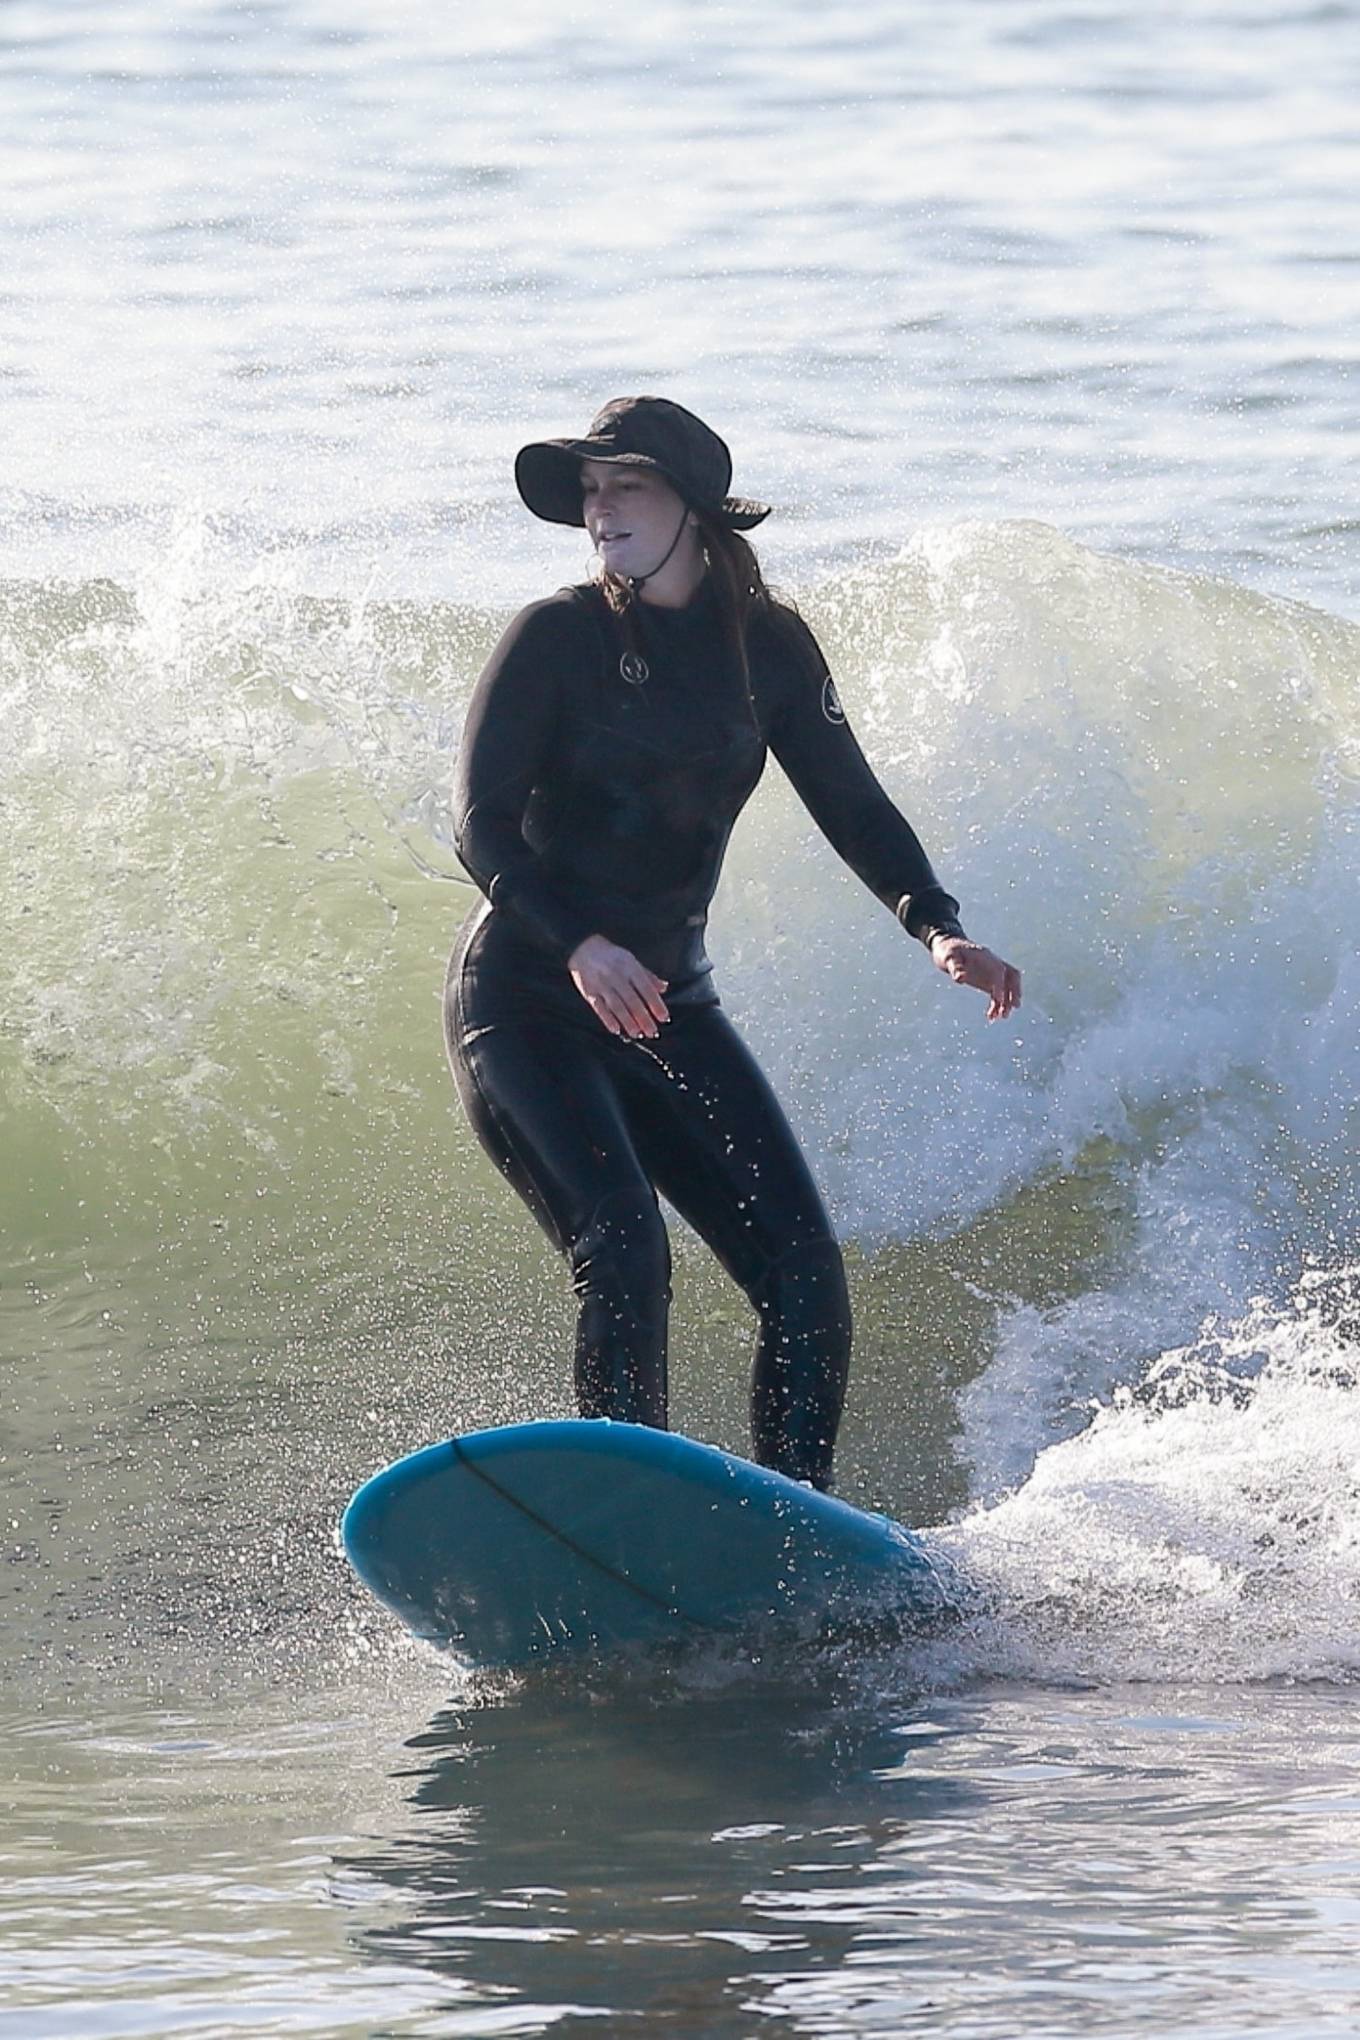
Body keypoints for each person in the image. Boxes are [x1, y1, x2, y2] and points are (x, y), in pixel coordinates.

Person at [446, 396, 1020, 1490]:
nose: (599, 509)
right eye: (590, 490)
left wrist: (937, 927)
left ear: (695, 511)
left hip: (668, 1003)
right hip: (524, 995)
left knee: (805, 1282)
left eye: (627, 485)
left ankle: (793, 1529)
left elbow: (853, 804)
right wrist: (578, 945)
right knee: (622, 1251)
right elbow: (478, 822)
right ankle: (629, 1505)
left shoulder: (768, 648)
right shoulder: (556, 635)